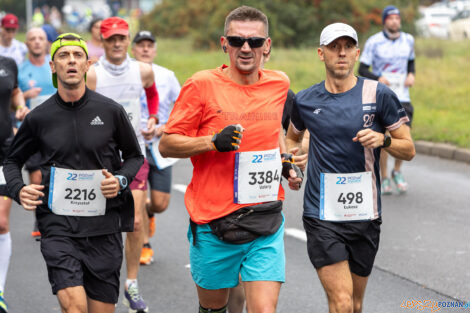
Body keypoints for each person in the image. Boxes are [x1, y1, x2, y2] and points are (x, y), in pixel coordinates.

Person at [159, 6, 302, 313]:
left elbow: (275, 128)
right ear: (224, 44)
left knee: (264, 309)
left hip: (265, 219)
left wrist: (285, 160)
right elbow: (167, 144)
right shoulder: (201, 85)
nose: (246, 48)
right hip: (213, 222)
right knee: (214, 308)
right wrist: (212, 141)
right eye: (237, 41)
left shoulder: (279, 84)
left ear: (268, 45)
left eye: (254, 41)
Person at [3, 32, 143, 313]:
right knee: (75, 308)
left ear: (87, 64)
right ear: (52, 67)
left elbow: (134, 156)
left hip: (104, 226)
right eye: (63, 56)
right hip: (58, 226)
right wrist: (18, 189)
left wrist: (120, 180)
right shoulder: (39, 118)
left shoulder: (110, 111)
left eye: (77, 55)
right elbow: (11, 160)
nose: (71, 61)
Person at [286, 23, 415, 313]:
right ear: (321, 53)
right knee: (342, 302)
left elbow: (409, 149)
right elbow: (292, 137)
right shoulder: (305, 100)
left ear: (357, 53)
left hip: (365, 215)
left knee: (355, 304)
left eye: (347, 47)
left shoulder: (379, 95)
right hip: (321, 214)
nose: (341, 53)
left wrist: (384, 139)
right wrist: (291, 161)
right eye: (334, 47)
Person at [86, 17, 158, 313]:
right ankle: (101, 280)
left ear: (128, 40)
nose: (117, 44)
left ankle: (130, 283)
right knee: (100, 223)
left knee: (136, 221)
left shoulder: (143, 70)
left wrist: (152, 117)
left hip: (134, 155)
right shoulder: (92, 74)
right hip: (99, 159)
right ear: (102, 41)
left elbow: (151, 94)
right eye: (111, 38)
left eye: (121, 38)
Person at [131, 30, 181, 266]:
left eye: (149, 45)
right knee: (137, 200)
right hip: (133, 148)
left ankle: (149, 214)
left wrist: (162, 128)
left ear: (155, 49)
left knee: (160, 204)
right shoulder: (126, 74)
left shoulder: (167, 76)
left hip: (160, 147)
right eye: (140, 45)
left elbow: (183, 109)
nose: (145, 49)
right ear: (134, 49)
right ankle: (144, 244)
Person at [358, 5, 415, 195]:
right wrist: (378, 78)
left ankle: (397, 171)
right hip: (381, 96)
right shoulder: (374, 42)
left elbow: (410, 62)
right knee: (383, 138)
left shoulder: (409, 40)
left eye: (397, 18)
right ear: (384, 21)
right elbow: (362, 70)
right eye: (390, 18)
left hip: (403, 96)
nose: (394, 21)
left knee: (405, 136)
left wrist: (411, 74)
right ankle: (384, 176)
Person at [17, 27, 57, 238]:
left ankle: (52, 215)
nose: (37, 42)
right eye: (32, 39)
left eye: (41, 38)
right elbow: (13, 99)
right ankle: (42, 218)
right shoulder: (21, 70)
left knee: (56, 173)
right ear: (27, 44)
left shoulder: (55, 65)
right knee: (37, 177)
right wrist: (25, 95)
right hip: (32, 132)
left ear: (47, 42)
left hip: (58, 129)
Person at [0, 54, 27, 313]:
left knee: (1, 222)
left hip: (3, 150)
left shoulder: (8, 63)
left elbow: (15, 92)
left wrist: (20, 106)